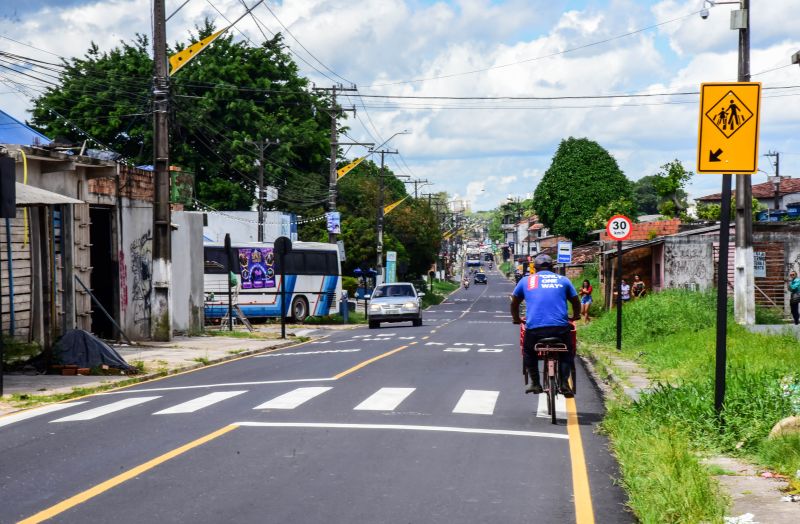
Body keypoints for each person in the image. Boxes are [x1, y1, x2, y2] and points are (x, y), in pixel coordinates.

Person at [510, 254, 581, 397]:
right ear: (553, 268)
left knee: (529, 351)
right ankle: (563, 383)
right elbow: (576, 301)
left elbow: (514, 302)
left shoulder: (527, 281)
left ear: (534, 268)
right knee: (567, 352)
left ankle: (535, 383)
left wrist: (517, 318)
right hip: (560, 329)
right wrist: (576, 315)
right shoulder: (563, 280)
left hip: (535, 330)